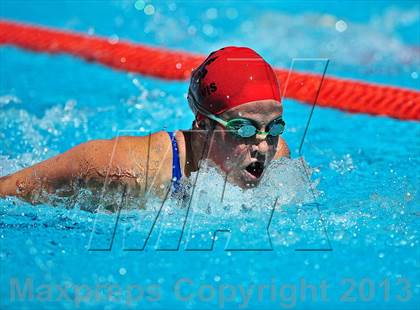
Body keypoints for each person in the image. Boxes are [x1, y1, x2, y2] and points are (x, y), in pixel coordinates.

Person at [0, 46, 289, 205]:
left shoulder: (277, 156)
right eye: (244, 129)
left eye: (274, 127)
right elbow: (12, 189)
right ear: (202, 125)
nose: (263, 146)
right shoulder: (129, 169)